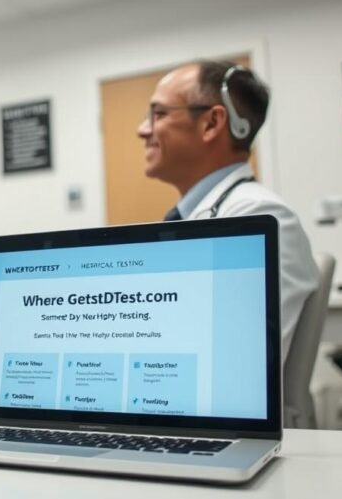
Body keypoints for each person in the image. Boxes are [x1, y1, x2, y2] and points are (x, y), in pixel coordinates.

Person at [136, 60, 319, 363]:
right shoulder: (203, 216)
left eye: (159, 114)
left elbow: (241, 365)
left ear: (211, 123)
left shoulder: (258, 216)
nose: (142, 130)